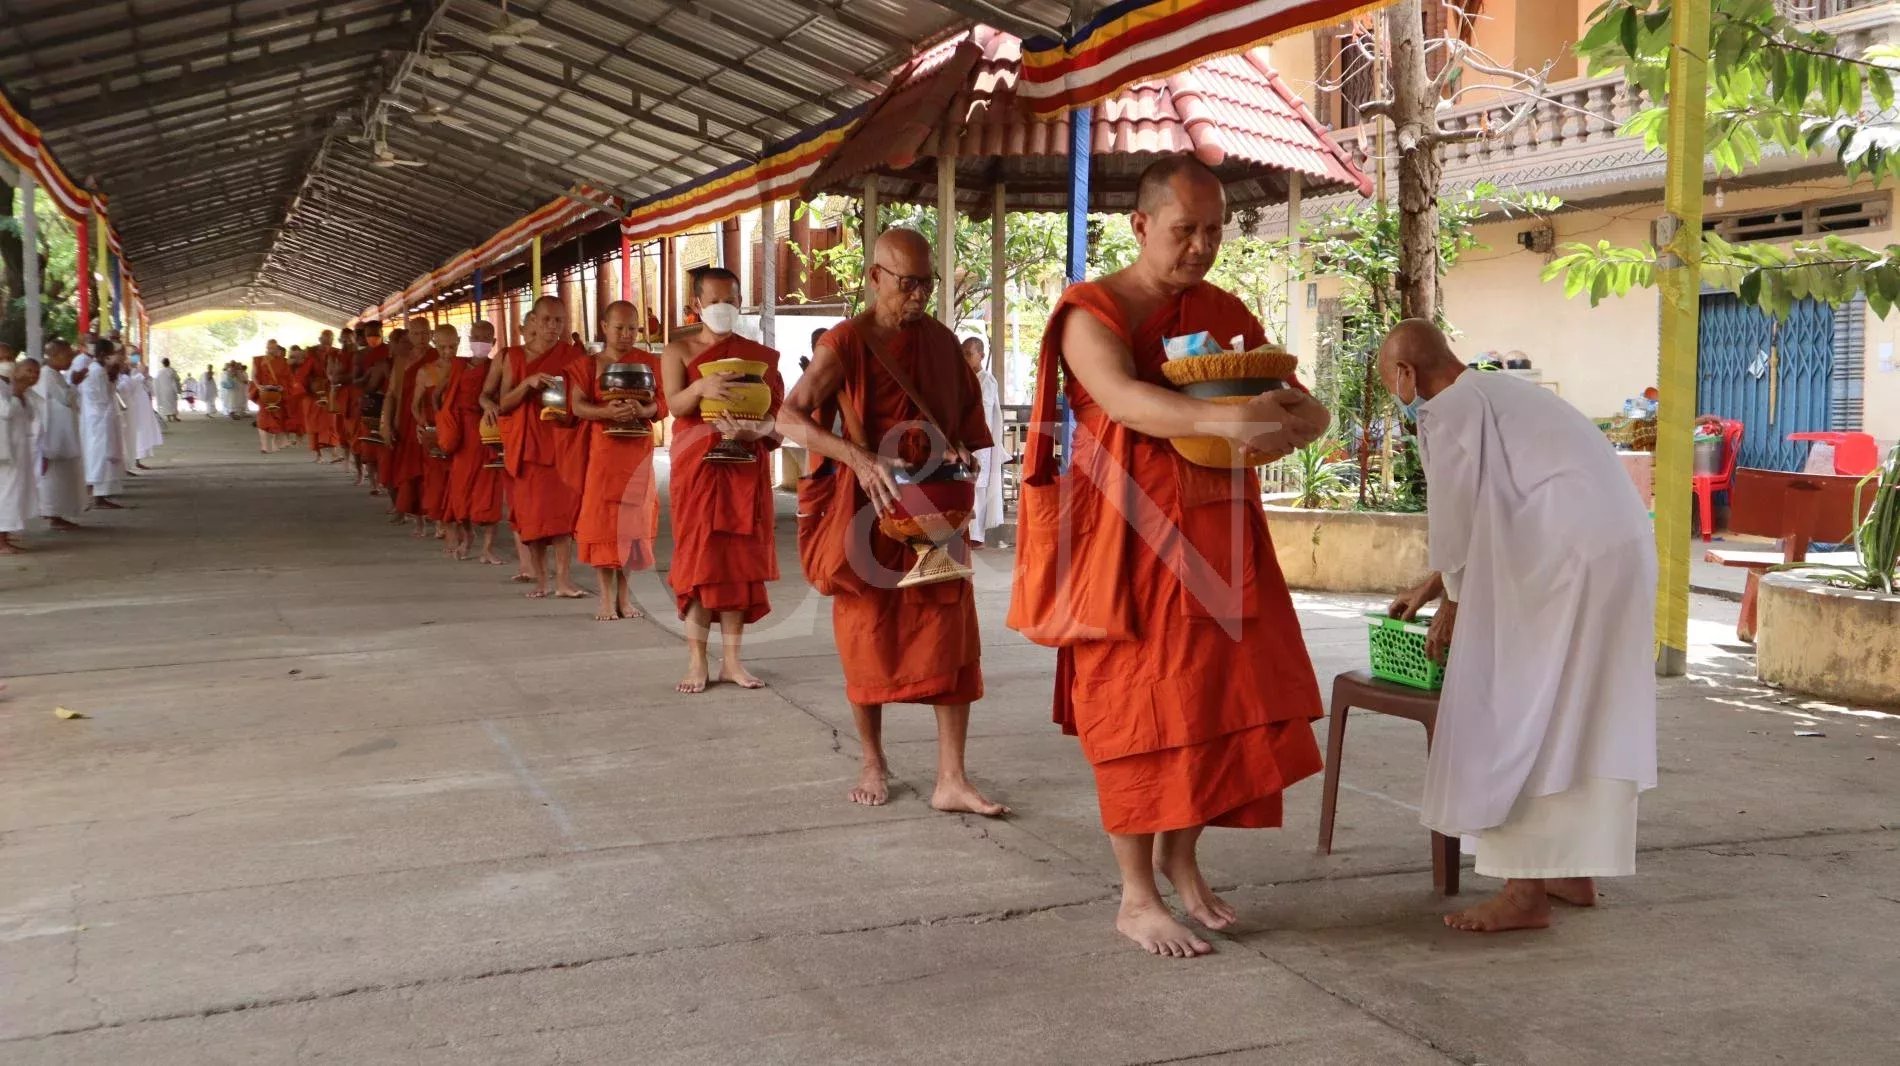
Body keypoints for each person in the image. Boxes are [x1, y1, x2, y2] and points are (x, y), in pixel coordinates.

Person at [1018, 157, 1331, 957]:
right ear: (1141, 225)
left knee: (1215, 707)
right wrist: (1232, 424)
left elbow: (1291, 395)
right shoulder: (1091, 310)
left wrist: (1300, 420)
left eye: (1214, 231)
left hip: (1219, 540)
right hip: (1125, 545)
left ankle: (1182, 859)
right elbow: (1123, 399)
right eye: (1185, 230)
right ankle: (1136, 897)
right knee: (1137, 713)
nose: (1201, 246)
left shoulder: (1221, 311)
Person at [1380, 319, 1657, 934]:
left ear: (1405, 374)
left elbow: (1456, 517)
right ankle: (1569, 868)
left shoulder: (1447, 409)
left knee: (1515, 708)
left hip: (1565, 561)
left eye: (1389, 386)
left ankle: (1523, 891)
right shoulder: (1499, 393)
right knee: (1577, 712)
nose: (1396, 399)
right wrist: (1436, 585)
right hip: (1614, 553)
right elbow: (1489, 508)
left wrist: (1454, 605)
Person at [779, 229, 1005, 817]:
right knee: (868, 636)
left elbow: (962, 421)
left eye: (926, 283)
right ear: (874, 277)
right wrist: (856, 457)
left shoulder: (942, 342)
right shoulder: (846, 342)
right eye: (906, 283)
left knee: (952, 636)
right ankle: (872, 761)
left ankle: (951, 778)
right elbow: (788, 417)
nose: (918, 295)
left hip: (936, 511)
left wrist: (956, 449)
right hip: (871, 513)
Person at [662, 267, 781, 691]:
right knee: (700, 563)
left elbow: (778, 422)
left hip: (744, 467)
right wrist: (701, 388)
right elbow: (674, 405)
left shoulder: (759, 357)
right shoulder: (678, 351)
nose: (723, 308)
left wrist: (753, 433)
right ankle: (697, 661)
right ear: (697, 305)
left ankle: (732, 661)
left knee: (737, 566)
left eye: (730, 300)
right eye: (714, 301)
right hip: (698, 468)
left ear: (741, 301)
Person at [487, 294, 589, 599]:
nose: (552, 326)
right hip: (527, 447)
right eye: (546, 320)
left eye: (559, 321)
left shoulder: (572, 356)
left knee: (562, 517)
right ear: (533, 320)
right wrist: (527, 384)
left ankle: (564, 581)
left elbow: (581, 400)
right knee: (532, 518)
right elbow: (504, 403)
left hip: (560, 444)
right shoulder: (514, 357)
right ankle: (542, 581)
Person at [573, 301, 665, 622]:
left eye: (632, 328)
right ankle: (605, 599)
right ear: (604, 327)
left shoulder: (649, 362)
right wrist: (605, 412)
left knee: (633, 523)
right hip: (604, 451)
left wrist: (644, 410)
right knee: (603, 523)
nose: (626, 334)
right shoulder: (588, 365)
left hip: (637, 451)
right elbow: (577, 406)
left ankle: (624, 599)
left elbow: (662, 403)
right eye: (619, 328)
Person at [441, 321, 506, 564]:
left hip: (488, 433)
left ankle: (487, 548)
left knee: (489, 490)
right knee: (462, 490)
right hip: (463, 437)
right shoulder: (457, 366)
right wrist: (444, 422)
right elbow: (439, 395)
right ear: (469, 339)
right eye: (476, 337)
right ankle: (467, 537)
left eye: (486, 338)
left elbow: (501, 395)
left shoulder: (496, 367)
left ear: (493, 342)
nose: (480, 341)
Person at [413, 323, 458, 544]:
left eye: (452, 346)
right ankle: (440, 519)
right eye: (442, 347)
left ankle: (457, 518)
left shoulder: (465, 367)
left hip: (459, 430)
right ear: (435, 344)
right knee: (437, 479)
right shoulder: (425, 371)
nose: (448, 352)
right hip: (435, 431)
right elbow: (415, 405)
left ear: (459, 342)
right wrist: (421, 424)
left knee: (458, 477)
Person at [34, 341, 85, 531]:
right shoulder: (47, 375)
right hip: (53, 438)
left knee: (62, 477)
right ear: (54, 355)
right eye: (67, 355)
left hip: (62, 436)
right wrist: (75, 383)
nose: (71, 359)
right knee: (54, 478)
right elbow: (65, 398)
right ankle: (53, 515)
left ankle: (58, 514)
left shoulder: (55, 374)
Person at [962, 336, 1005, 548]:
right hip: (965, 441)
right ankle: (965, 532)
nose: (966, 358)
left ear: (981, 355)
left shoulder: (987, 381)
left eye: (969, 354)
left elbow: (984, 413)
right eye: (963, 354)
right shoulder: (963, 378)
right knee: (965, 485)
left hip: (980, 441)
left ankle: (976, 536)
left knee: (978, 487)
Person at [75, 339, 126, 509]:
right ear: (104, 355)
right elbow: (104, 398)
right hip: (99, 420)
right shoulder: (97, 372)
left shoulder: (99, 370)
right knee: (100, 457)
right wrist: (112, 378)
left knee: (99, 456)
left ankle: (98, 494)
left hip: (99, 419)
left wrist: (112, 378)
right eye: (112, 354)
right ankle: (97, 496)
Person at [0, 357, 40, 554]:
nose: (32, 376)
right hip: (6, 451)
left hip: (19, 448)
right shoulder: (5, 388)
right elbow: (5, 412)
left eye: (36, 372)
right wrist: (17, 393)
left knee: (15, 491)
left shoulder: (18, 390)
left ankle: (6, 533)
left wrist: (20, 393)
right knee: (6, 492)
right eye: (28, 371)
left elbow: (30, 416)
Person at [353, 322, 392, 490]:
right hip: (368, 402)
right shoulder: (360, 356)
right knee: (368, 444)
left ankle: (384, 479)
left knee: (385, 445)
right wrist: (368, 376)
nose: (372, 338)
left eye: (376, 334)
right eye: (369, 335)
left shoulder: (390, 351)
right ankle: (373, 483)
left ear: (382, 333)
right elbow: (355, 380)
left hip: (388, 402)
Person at [154, 358, 182, 422]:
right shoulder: (172, 370)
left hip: (163, 390)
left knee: (166, 403)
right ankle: (174, 416)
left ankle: (168, 417)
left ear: (163, 364)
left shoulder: (159, 372)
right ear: (169, 363)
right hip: (171, 389)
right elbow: (178, 378)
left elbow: (156, 381)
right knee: (173, 402)